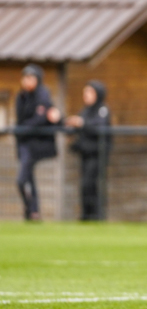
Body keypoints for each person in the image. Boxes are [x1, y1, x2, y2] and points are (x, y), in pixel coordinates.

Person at [15, 64, 60, 221]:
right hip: (24, 144)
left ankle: (32, 210)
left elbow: (43, 118)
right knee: (27, 179)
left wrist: (25, 127)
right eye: (25, 77)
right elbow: (20, 121)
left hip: (37, 145)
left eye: (30, 77)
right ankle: (33, 212)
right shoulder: (21, 97)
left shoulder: (43, 95)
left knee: (22, 179)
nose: (27, 81)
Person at [65, 81, 111, 220]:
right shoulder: (85, 111)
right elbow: (80, 127)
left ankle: (96, 216)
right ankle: (86, 216)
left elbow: (98, 127)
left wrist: (81, 123)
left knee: (92, 185)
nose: (86, 95)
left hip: (98, 154)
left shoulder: (102, 110)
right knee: (85, 185)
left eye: (89, 92)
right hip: (85, 154)